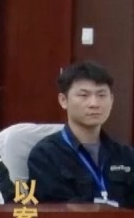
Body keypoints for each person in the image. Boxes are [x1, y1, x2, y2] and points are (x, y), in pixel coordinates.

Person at [28, 60, 134, 206]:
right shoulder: (45, 155)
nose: (94, 104)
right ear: (63, 100)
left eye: (101, 95)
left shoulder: (126, 155)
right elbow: (56, 210)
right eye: (84, 95)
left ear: (112, 100)